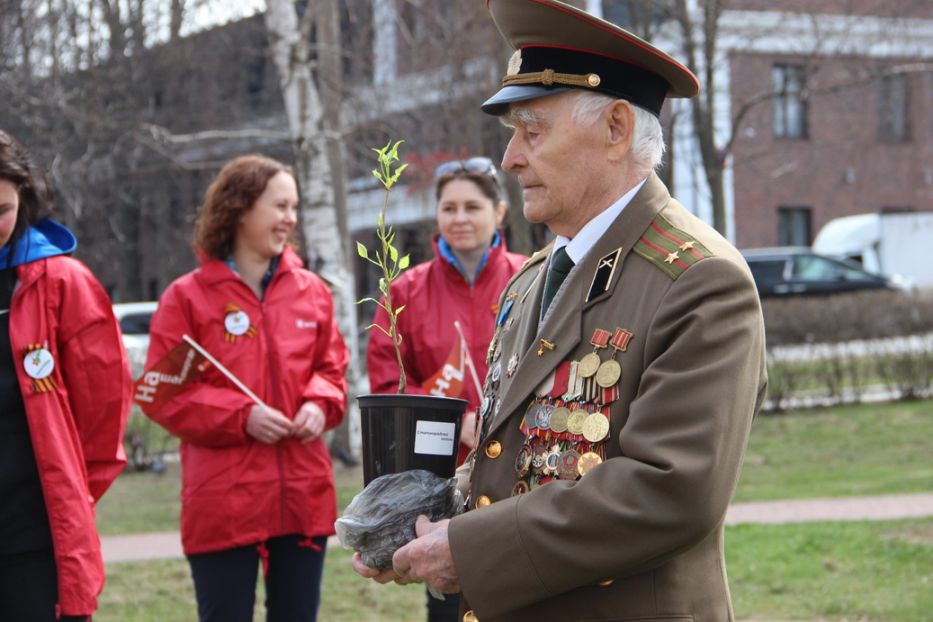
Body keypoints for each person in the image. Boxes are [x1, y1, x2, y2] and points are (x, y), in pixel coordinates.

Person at [352, 2, 768, 621]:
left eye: (533, 130)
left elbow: (670, 491)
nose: (510, 159)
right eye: (513, 134)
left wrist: (468, 550)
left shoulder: (699, 279)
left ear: (616, 128)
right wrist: (424, 520)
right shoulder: (531, 279)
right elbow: (511, 456)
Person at [145, 154, 349, 622]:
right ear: (239, 209)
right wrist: (241, 417)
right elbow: (163, 393)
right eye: (280, 206)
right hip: (223, 503)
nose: (290, 219)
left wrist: (320, 403)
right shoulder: (187, 298)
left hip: (302, 496)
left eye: (294, 207)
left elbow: (332, 369)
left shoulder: (312, 292)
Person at [366, 156, 526, 621]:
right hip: (443, 483)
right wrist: (454, 422)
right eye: (449, 208)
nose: (459, 218)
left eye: (472, 207)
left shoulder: (529, 277)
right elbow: (387, 383)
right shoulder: (404, 292)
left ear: (498, 213)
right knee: (449, 602)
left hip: (517, 475)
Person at [0, 129, 131, 621]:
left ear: (25, 199)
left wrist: (67, 493)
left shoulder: (63, 283)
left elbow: (104, 414)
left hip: (33, 541)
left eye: (1, 211)